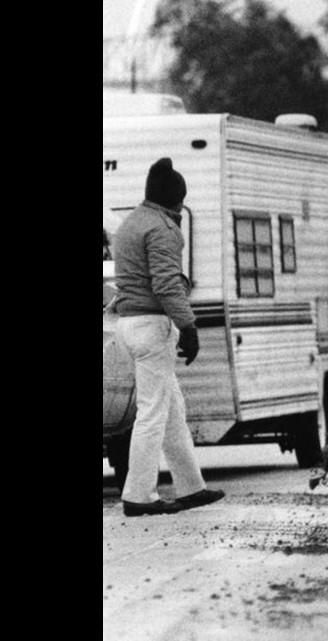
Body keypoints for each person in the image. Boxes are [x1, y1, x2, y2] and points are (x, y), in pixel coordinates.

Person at [112, 157, 225, 517]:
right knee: (152, 412)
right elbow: (165, 284)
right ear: (172, 200)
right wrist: (189, 327)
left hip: (129, 324)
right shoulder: (161, 229)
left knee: (172, 408)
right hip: (151, 325)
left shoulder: (131, 222)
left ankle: (191, 486)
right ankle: (138, 495)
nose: (180, 207)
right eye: (179, 201)